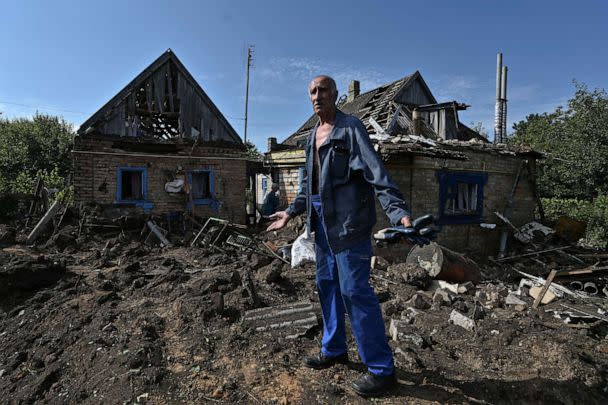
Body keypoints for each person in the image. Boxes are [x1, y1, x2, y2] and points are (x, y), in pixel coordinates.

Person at [267, 75, 412, 397]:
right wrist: (290, 212)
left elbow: (377, 174)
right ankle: (334, 349)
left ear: (335, 95)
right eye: (312, 92)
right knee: (327, 287)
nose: (317, 96)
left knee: (355, 292)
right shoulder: (310, 138)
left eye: (323, 91)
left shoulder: (350, 129)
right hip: (321, 226)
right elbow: (310, 187)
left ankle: (381, 370)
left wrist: (398, 212)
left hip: (350, 225)